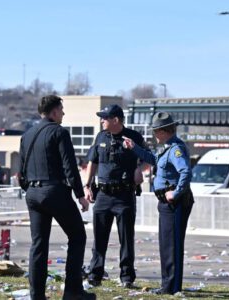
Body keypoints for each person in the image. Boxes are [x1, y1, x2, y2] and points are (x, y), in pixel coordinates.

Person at [19, 95, 95, 300]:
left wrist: (30, 189)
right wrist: (80, 195)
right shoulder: (59, 132)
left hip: (33, 193)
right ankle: (73, 292)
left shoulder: (27, 135)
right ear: (53, 112)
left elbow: (21, 172)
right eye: (61, 109)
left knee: (38, 244)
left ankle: (37, 296)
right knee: (78, 236)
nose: (63, 113)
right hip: (54, 191)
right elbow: (70, 167)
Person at [123, 111, 194, 295]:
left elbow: (186, 172)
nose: (154, 135)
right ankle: (167, 284)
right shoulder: (166, 148)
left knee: (172, 245)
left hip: (175, 203)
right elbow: (154, 160)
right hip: (165, 203)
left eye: (156, 131)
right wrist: (134, 149)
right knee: (166, 244)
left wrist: (176, 193)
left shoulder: (175, 149)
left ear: (164, 131)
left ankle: (172, 286)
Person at [84, 104, 146, 288]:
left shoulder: (134, 137)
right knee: (99, 238)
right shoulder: (101, 136)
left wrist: (139, 169)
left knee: (126, 239)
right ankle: (96, 273)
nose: (102, 120)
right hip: (103, 194)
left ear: (116, 120)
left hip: (124, 195)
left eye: (105, 117)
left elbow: (148, 159)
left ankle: (126, 277)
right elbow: (92, 161)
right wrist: (87, 185)